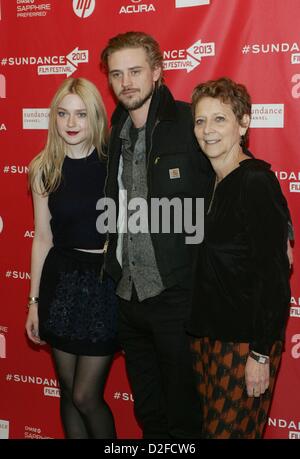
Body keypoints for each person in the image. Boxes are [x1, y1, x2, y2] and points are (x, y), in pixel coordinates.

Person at [100, 31, 213, 439]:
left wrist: (274, 229)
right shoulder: (115, 131)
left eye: (135, 71)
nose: (126, 82)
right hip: (128, 297)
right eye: (116, 74)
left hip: (176, 294)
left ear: (157, 72)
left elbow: (234, 174)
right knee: (149, 412)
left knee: (185, 414)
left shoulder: (188, 121)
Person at [187, 77, 291, 439]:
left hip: (245, 344)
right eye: (200, 120)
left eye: (220, 119)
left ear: (243, 123)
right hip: (206, 339)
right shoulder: (209, 182)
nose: (207, 130)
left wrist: (260, 354)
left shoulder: (255, 182)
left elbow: (275, 277)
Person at [25, 77, 119, 439]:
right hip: (60, 283)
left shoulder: (114, 165)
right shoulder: (43, 169)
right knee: (67, 390)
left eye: (81, 114)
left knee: (85, 395)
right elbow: (42, 238)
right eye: (63, 113)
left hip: (103, 284)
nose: (71, 122)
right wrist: (33, 302)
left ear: (95, 116)